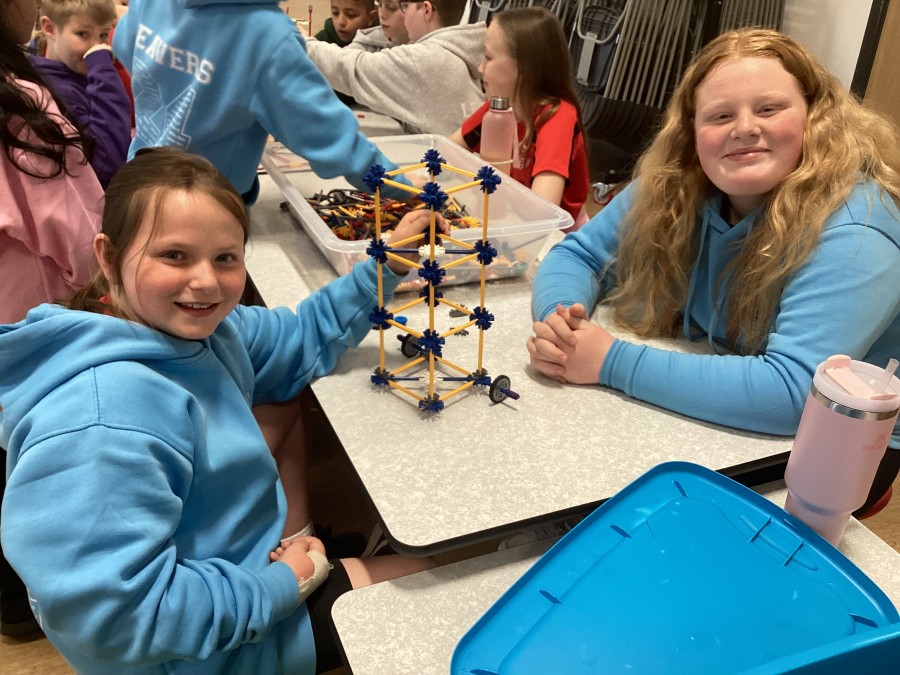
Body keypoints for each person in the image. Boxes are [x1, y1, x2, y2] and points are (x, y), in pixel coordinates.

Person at [0, 147, 439, 672]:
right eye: (175, 256)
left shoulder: (200, 331)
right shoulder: (100, 421)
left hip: (237, 583)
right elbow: (120, 620)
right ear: (109, 257)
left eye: (225, 258)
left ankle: (305, 547)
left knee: (285, 400)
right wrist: (286, 583)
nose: (206, 281)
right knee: (449, 578)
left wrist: (384, 267)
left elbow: (297, 336)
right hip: (202, 652)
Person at [528, 28, 900, 513]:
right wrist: (562, 327)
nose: (744, 128)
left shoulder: (859, 228)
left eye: (769, 109)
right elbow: (578, 255)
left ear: (815, 117)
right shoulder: (675, 183)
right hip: (720, 372)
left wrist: (608, 361)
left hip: (840, 450)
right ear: (692, 131)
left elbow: (794, 392)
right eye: (720, 115)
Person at [1, 0, 103, 639]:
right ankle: (40, 599)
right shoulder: (21, 107)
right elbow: (80, 238)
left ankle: (14, 604)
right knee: (39, 466)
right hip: (33, 339)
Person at [111, 0, 411, 205]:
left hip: (138, 184)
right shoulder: (268, 35)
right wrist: (399, 185)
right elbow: (328, 136)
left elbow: (125, 48)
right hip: (207, 210)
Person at [449, 6, 590, 229]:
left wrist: (486, 177)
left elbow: (543, 210)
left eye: (488, 57)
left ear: (524, 68)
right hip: (512, 222)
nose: (480, 68)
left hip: (557, 236)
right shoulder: (497, 110)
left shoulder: (557, 117)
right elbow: (447, 153)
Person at [306, 0, 485, 135]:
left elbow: (352, 69)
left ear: (426, 10)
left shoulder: (425, 60)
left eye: (405, 6)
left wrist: (299, 41)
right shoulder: (454, 51)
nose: (403, 14)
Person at [29, 0, 131, 188]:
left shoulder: (75, 71)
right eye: (82, 34)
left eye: (103, 35)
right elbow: (108, 163)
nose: (97, 46)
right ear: (50, 28)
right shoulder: (55, 92)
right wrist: (103, 71)